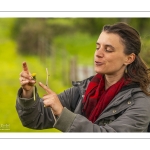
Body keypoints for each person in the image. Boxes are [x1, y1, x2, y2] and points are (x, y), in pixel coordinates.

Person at [16, 22, 150, 132]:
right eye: (97, 47)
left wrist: (63, 114)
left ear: (129, 58)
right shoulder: (84, 90)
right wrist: (28, 94)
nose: (98, 54)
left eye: (108, 49)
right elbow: (35, 119)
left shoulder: (141, 102)